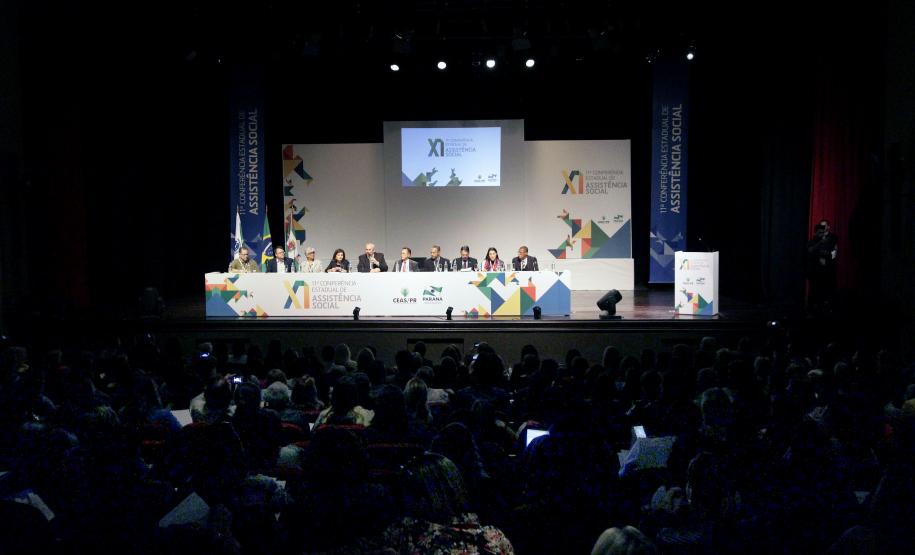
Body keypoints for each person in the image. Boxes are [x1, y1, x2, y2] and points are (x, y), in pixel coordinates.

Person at [806, 219, 838, 314]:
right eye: (821, 226)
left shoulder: (832, 238)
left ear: (828, 227)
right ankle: (812, 310)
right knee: (815, 292)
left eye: (824, 226)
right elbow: (810, 250)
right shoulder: (816, 239)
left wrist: (828, 257)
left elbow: (834, 253)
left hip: (828, 270)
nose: (822, 228)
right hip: (816, 271)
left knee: (827, 292)